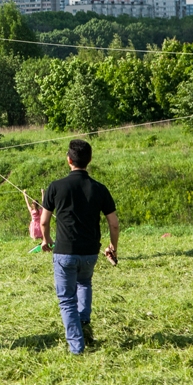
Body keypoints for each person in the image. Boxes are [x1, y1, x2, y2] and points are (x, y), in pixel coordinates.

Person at [41, 140, 119, 355]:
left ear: (69, 160)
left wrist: (46, 240)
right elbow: (113, 223)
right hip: (90, 252)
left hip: (64, 251)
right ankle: (83, 322)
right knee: (84, 284)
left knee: (67, 300)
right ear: (90, 160)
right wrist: (113, 246)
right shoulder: (99, 188)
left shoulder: (56, 186)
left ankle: (77, 347)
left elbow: (44, 222)